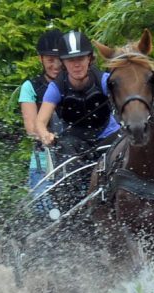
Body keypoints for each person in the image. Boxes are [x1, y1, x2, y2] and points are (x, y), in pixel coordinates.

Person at [33, 30, 121, 211]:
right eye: (71, 60)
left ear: (90, 58)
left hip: (108, 136)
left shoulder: (104, 80)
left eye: (81, 59)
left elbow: (123, 101)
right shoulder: (56, 87)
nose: (76, 65)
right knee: (66, 162)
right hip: (76, 143)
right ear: (63, 63)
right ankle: (72, 212)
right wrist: (45, 135)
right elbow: (40, 122)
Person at [18, 29, 63, 216]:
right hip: (45, 161)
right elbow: (31, 127)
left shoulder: (74, 84)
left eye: (59, 59)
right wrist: (47, 135)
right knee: (45, 210)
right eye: (50, 60)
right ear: (41, 60)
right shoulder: (30, 87)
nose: (56, 65)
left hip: (76, 155)